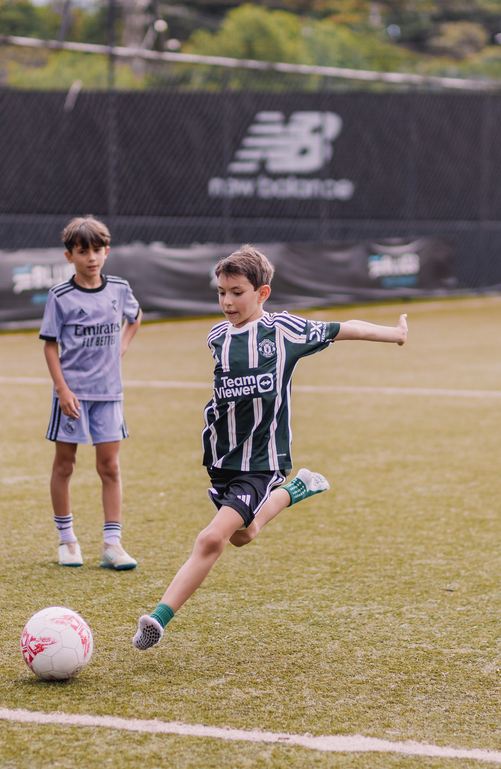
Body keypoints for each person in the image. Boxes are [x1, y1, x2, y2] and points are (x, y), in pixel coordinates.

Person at [131, 244, 408, 649]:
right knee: (243, 535)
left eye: (237, 292)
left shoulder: (284, 331)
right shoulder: (217, 337)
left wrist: (395, 334)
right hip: (222, 458)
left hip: (261, 461)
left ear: (262, 293)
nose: (227, 301)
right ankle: (297, 489)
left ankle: (156, 620)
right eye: (221, 292)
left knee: (212, 538)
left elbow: (345, 328)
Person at [40, 216, 143, 570]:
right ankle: (67, 540)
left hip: (109, 395)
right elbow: (50, 346)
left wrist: (122, 345)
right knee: (64, 465)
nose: (91, 257)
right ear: (69, 256)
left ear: (106, 251)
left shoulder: (119, 289)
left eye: (97, 250)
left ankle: (112, 545)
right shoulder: (60, 296)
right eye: (83, 251)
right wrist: (62, 389)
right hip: (72, 397)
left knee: (109, 466)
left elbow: (135, 317)